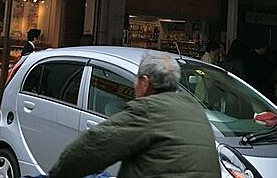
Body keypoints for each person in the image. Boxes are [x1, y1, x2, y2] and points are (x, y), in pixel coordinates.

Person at [48, 51, 220, 178]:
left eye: (136, 79)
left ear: (145, 83)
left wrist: (56, 176)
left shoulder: (148, 109)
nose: (134, 84)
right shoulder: (194, 108)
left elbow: (90, 147)